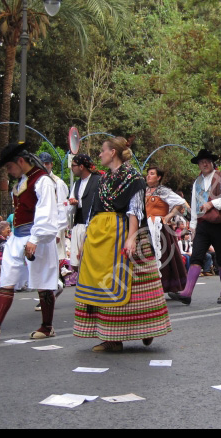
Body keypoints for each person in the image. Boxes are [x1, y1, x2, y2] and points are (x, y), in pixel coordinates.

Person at [73, 137, 171, 352]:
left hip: (126, 233)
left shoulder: (134, 177)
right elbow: (94, 211)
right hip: (103, 236)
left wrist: (131, 237)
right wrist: (87, 240)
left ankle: (147, 329)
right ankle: (112, 338)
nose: (99, 155)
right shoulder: (104, 179)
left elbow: (135, 209)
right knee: (104, 284)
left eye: (102, 151)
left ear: (113, 152)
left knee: (136, 289)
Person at [0, 143, 59, 340]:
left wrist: (35, 238)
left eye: (9, 167)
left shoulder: (42, 181)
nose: (8, 172)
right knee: (8, 279)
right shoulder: (22, 182)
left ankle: (47, 326)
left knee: (43, 281)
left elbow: (46, 212)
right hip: (18, 236)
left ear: (20, 161)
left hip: (37, 237)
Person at [169, 148, 221, 305]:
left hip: (220, 224)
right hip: (202, 225)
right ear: (198, 165)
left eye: (207, 161)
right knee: (196, 256)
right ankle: (187, 293)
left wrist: (212, 203)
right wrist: (192, 226)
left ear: (212, 162)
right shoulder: (196, 182)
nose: (204, 164)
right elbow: (193, 206)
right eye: (201, 162)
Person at [145, 165, 187, 293]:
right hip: (146, 227)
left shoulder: (163, 191)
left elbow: (181, 202)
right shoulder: (143, 190)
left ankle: (169, 285)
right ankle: (150, 287)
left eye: (152, 173)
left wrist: (169, 215)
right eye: (147, 173)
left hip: (160, 227)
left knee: (165, 256)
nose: (148, 175)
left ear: (158, 177)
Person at [67, 154, 101, 287]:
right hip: (78, 225)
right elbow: (70, 206)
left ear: (81, 166)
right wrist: (73, 204)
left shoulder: (98, 180)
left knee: (90, 261)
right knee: (75, 263)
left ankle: (93, 288)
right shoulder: (76, 184)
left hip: (92, 225)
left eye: (73, 166)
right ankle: (85, 288)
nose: (72, 168)